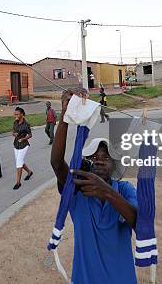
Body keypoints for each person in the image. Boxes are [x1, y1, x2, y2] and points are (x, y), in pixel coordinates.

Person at [50, 89, 138, 283]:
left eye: (105, 158)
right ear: (86, 163)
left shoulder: (124, 190)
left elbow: (140, 223)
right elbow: (57, 163)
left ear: (114, 165)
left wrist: (107, 192)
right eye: (93, 157)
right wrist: (65, 115)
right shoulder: (77, 191)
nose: (99, 161)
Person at [12, 107, 33, 189]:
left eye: (17, 114)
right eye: (15, 114)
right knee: (19, 161)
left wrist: (23, 138)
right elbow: (13, 132)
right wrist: (15, 134)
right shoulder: (15, 122)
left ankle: (18, 182)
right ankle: (29, 172)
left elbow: (30, 135)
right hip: (16, 144)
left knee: (18, 163)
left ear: (22, 114)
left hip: (24, 145)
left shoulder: (26, 124)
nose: (15, 115)